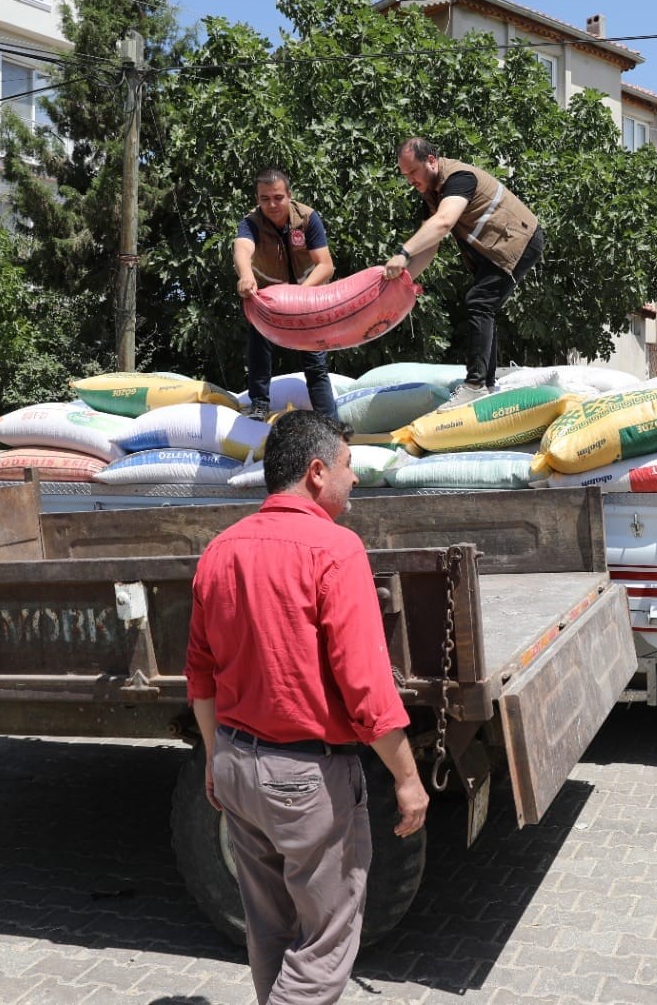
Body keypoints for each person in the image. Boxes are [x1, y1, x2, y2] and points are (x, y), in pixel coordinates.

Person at [185, 411, 428, 1005]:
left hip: (237, 767)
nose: (356, 481)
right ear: (317, 472)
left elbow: (200, 675)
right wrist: (407, 777)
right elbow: (367, 687)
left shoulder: (220, 550)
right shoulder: (336, 550)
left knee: (269, 928)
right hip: (305, 782)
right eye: (349, 467)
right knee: (323, 947)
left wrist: (216, 759)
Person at [381, 137, 545, 408]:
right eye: (405, 174)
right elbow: (429, 245)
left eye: (413, 172)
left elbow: (443, 223)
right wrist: (404, 282)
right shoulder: (431, 193)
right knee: (482, 305)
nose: (410, 180)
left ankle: (476, 385)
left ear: (431, 161)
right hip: (493, 250)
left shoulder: (460, 179)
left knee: (479, 302)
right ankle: (486, 384)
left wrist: (402, 252)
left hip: (519, 240)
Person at [234, 168, 339, 421]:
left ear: (289, 196)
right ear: (257, 199)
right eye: (264, 198)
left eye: (278, 197)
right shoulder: (251, 222)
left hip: (307, 294)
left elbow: (326, 265)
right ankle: (259, 405)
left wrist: (300, 296)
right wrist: (245, 276)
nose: (271, 204)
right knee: (258, 345)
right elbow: (242, 249)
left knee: (315, 361)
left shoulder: (307, 218)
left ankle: (329, 421)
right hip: (268, 298)